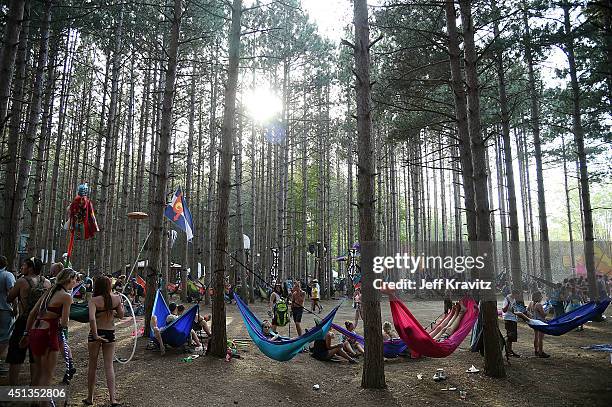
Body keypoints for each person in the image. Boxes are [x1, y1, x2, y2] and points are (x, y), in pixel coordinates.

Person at [22, 269, 77, 387]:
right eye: (75, 279)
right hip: (49, 333)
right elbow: (65, 323)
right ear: (70, 279)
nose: (75, 282)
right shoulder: (66, 297)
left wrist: (26, 333)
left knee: (38, 371)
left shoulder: (49, 291)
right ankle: (44, 402)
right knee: (47, 374)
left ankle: (34, 402)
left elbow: (32, 313)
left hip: (35, 330)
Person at [6, 257, 50, 385]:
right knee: (35, 356)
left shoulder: (22, 282)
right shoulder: (47, 283)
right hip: (41, 323)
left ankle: (12, 388)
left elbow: (9, 298)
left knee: (16, 355)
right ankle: (34, 388)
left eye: (24, 265)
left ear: (30, 267)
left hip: (24, 321)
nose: (21, 267)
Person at [84, 276, 124, 406]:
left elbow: (92, 319)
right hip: (109, 333)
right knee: (109, 366)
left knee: (92, 366)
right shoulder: (116, 298)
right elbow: (122, 315)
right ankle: (113, 399)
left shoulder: (93, 300)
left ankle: (90, 398)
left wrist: (95, 335)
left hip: (96, 333)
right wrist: (120, 303)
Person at [0, 256, 16, 374]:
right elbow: (12, 292)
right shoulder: (7, 275)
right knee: (4, 337)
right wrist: (15, 307)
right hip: (4, 309)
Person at [527, 291, 550, 358]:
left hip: (534, 322)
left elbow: (527, 310)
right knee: (541, 338)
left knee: (536, 337)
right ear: (538, 297)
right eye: (541, 296)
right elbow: (543, 315)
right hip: (540, 323)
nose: (542, 297)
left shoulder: (531, 303)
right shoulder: (538, 305)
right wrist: (548, 309)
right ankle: (541, 352)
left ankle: (536, 351)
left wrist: (531, 316)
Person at [502, 289, 521, 358]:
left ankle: (510, 350)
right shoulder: (507, 299)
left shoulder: (514, 299)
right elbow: (504, 310)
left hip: (513, 319)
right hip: (508, 319)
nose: (518, 297)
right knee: (509, 336)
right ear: (514, 294)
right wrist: (508, 304)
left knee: (512, 336)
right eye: (517, 295)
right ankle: (507, 351)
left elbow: (513, 309)